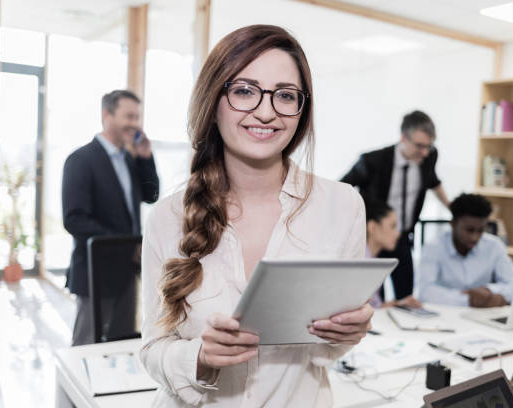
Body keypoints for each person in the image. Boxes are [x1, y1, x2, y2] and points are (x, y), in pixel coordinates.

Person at [140, 25, 373, 407]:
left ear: (302, 109)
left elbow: (323, 355)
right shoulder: (167, 217)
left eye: (284, 95)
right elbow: (152, 348)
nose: (266, 112)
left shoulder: (343, 206)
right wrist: (198, 357)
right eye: (244, 91)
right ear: (213, 102)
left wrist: (346, 333)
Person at [62, 90, 159, 346]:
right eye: (128, 116)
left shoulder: (130, 159)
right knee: (86, 346)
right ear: (107, 115)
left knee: (121, 345)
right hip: (96, 271)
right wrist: (126, 245)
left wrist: (146, 158)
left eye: (137, 116)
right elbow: (74, 219)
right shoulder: (80, 160)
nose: (135, 123)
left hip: (127, 274)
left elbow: (152, 195)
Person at [341, 110, 450, 301]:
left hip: (401, 236)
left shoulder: (428, 157)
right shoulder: (373, 161)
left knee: (406, 296)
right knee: (372, 298)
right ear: (403, 138)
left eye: (429, 146)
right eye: (419, 146)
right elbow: (342, 188)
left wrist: (452, 209)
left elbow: (433, 181)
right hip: (374, 236)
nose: (424, 152)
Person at [418, 193, 513, 307]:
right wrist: (469, 299)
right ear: (453, 224)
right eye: (469, 230)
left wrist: (488, 290)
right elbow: (425, 292)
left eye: (480, 230)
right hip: (445, 315)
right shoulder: (434, 247)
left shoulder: (494, 246)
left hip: (484, 316)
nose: (475, 237)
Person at [365, 201, 421, 308]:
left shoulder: (372, 260)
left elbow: (374, 306)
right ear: (372, 227)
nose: (397, 233)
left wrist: (398, 304)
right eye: (393, 226)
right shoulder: (361, 263)